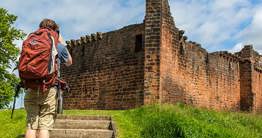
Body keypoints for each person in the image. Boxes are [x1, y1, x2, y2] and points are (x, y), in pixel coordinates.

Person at [24, 19, 72, 138]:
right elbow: (69, 62)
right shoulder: (57, 44)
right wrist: (61, 41)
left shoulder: (31, 41)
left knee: (31, 124)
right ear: (55, 29)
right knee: (44, 125)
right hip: (49, 87)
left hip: (31, 86)